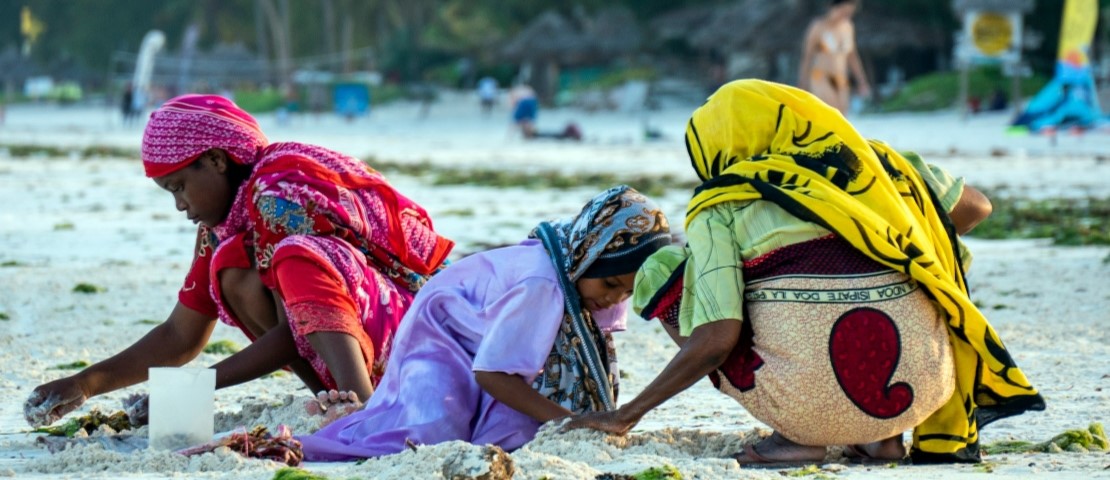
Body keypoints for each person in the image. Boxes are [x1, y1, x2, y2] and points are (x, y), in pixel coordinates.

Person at [565, 80, 1044, 465]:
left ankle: (798, 436)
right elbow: (976, 208)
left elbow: (717, 337)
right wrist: (883, 228)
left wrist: (626, 415)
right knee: (928, 250)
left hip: (808, 407)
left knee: (670, 269)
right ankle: (884, 439)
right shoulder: (877, 165)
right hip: (923, 393)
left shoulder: (724, 202)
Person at [24, 94, 454, 428]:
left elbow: (294, 331)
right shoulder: (224, 227)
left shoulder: (278, 195)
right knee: (232, 270)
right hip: (380, 337)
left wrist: (192, 388)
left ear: (215, 160)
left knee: (294, 256)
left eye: (179, 186)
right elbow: (180, 334)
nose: (179, 205)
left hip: (422, 337)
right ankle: (342, 396)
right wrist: (86, 384)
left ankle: (360, 404)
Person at [298, 185, 672, 460]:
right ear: (588, 256)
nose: (612, 300)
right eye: (609, 283)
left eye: (625, 293)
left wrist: (566, 418)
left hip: (481, 342)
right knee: (430, 436)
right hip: (441, 338)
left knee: (520, 424)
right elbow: (493, 375)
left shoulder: (569, 269)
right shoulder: (543, 284)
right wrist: (569, 422)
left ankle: (364, 413)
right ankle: (356, 424)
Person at [798, 0, 871, 114]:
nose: (845, 15)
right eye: (843, 11)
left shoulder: (848, 27)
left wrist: (861, 81)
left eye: (849, 13)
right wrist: (802, 83)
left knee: (842, 113)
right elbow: (807, 57)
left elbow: (852, 57)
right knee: (829, 111)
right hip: (821, 76)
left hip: (840, 77)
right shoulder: (817, 27)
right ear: (834, 7)